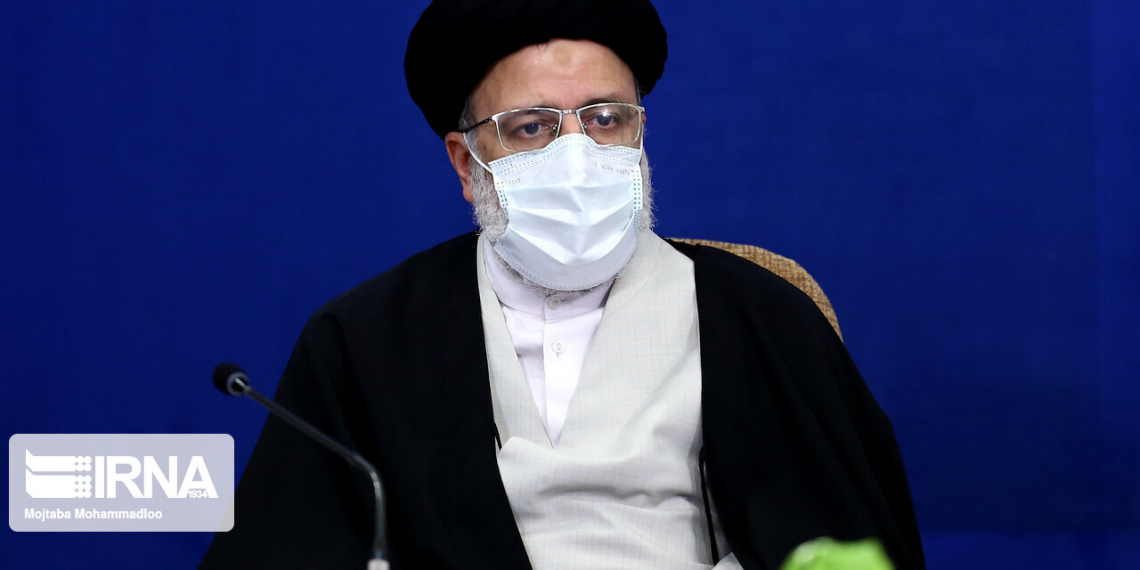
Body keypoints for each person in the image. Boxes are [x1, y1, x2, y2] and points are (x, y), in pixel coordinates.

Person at [199, 1, 925, 569]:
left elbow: (840, 540)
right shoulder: (367, 340)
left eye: (606, 120)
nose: (577, 156)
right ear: (466, 163)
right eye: (532, 128)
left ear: (639, 133)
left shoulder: (758, 314)